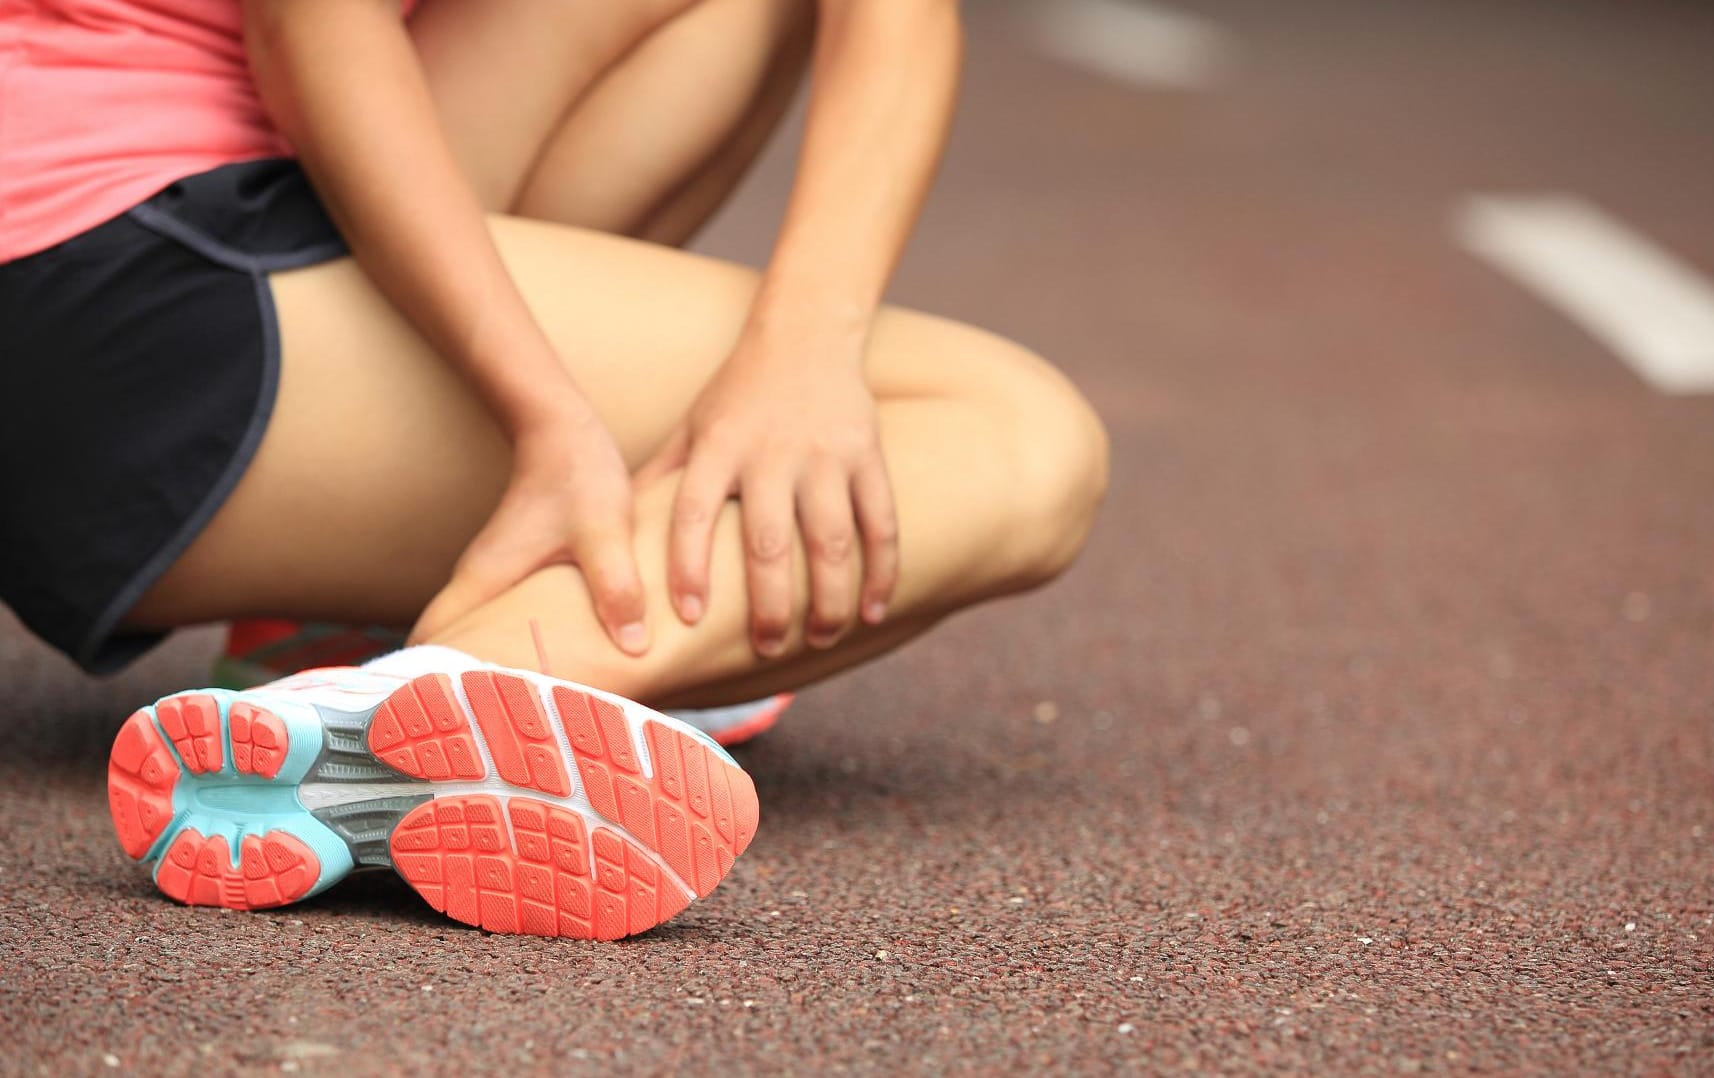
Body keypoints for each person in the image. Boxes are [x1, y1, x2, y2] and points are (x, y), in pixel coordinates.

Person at [0, 0, 1108, 939]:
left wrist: (802, 352)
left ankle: (343, 634)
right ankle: (406, 704)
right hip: (116, 271)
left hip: (132, 261)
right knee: (1014, 433)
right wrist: (550, 415)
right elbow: (310, 36)